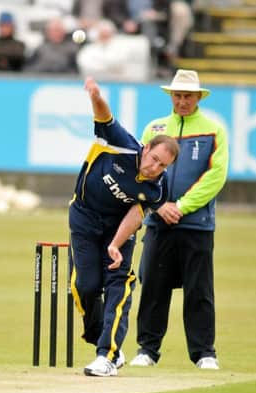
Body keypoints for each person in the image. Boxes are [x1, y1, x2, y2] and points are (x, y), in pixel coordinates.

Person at [70, 77, 179, 377]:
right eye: (154, 160)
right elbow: (104, 114)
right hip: (83, 215)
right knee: (85, 287)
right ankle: (99, 339)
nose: (154, 168)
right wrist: (95, 94)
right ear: (146, 149)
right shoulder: (122, 144)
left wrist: (116, 244)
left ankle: (108, 355)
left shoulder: (158, 188)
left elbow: (136, 214)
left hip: (118, 229)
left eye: (162, 166)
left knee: (120, 283)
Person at [129, 69, 229, 370]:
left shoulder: (213, 130)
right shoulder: (155, 128)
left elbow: (216, 176)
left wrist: (182, 206)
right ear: (170, 96)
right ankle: (147, 349)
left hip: (196, 224)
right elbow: (141, 170)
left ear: (198, 97)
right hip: (159, 222)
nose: (182, 101)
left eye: (188, 96)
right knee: (153, 288)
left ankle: (204, 353)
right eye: (178, 95)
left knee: (199, 290)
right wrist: (159, 206)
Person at [76, 19, 151, 81]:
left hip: (120, 85)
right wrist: (110, 69)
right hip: (95, 85)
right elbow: (85, 65)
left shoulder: (122, 46)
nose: (104, 36)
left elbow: (119, 62)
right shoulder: (88, 49)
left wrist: (103, 65)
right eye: (102, 33)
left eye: (107, 33)